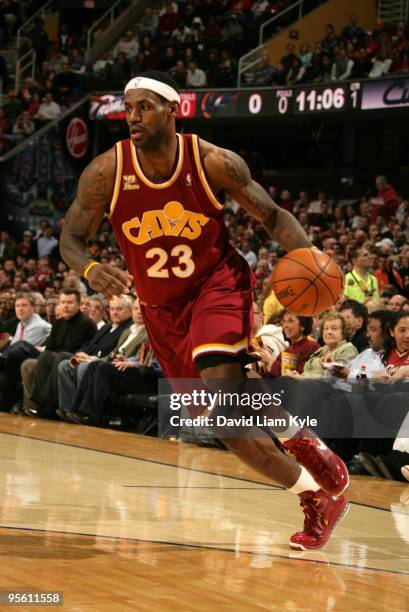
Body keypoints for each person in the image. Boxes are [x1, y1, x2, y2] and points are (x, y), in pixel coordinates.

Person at [60, 70, 349, 551]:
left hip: (216, 285)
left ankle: (302, 440)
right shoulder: (106, 171)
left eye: (145, 107)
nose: (132, 117)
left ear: (173, 110)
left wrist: (309, 259)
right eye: (128, 108)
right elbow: (71, 237)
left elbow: (274, 215)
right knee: (226, 423)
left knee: (221, 384)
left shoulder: (211, 161)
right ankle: (314, 494)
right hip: (160, 309)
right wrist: (89, 268)